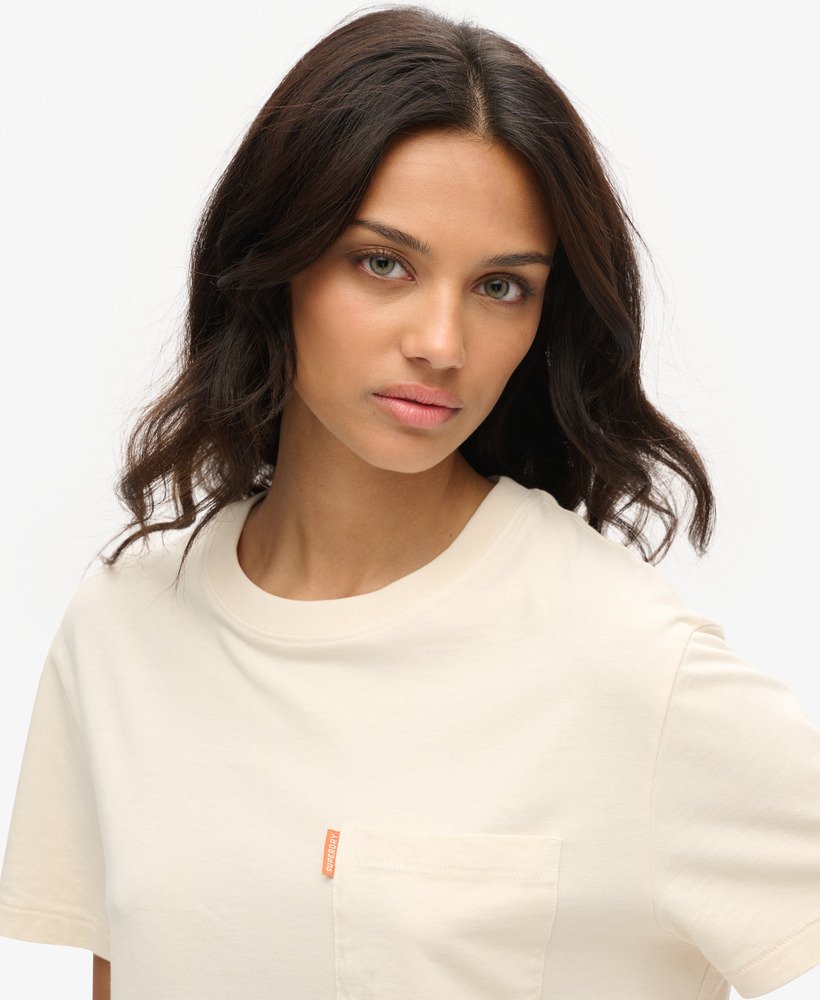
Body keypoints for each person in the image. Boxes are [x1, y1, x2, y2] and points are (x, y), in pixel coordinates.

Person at [1, 5, 818, 999]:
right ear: (274, 263)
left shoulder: (626, 663)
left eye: (501, 287)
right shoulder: (126, 626)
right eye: (383, 263)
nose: (441, 342)